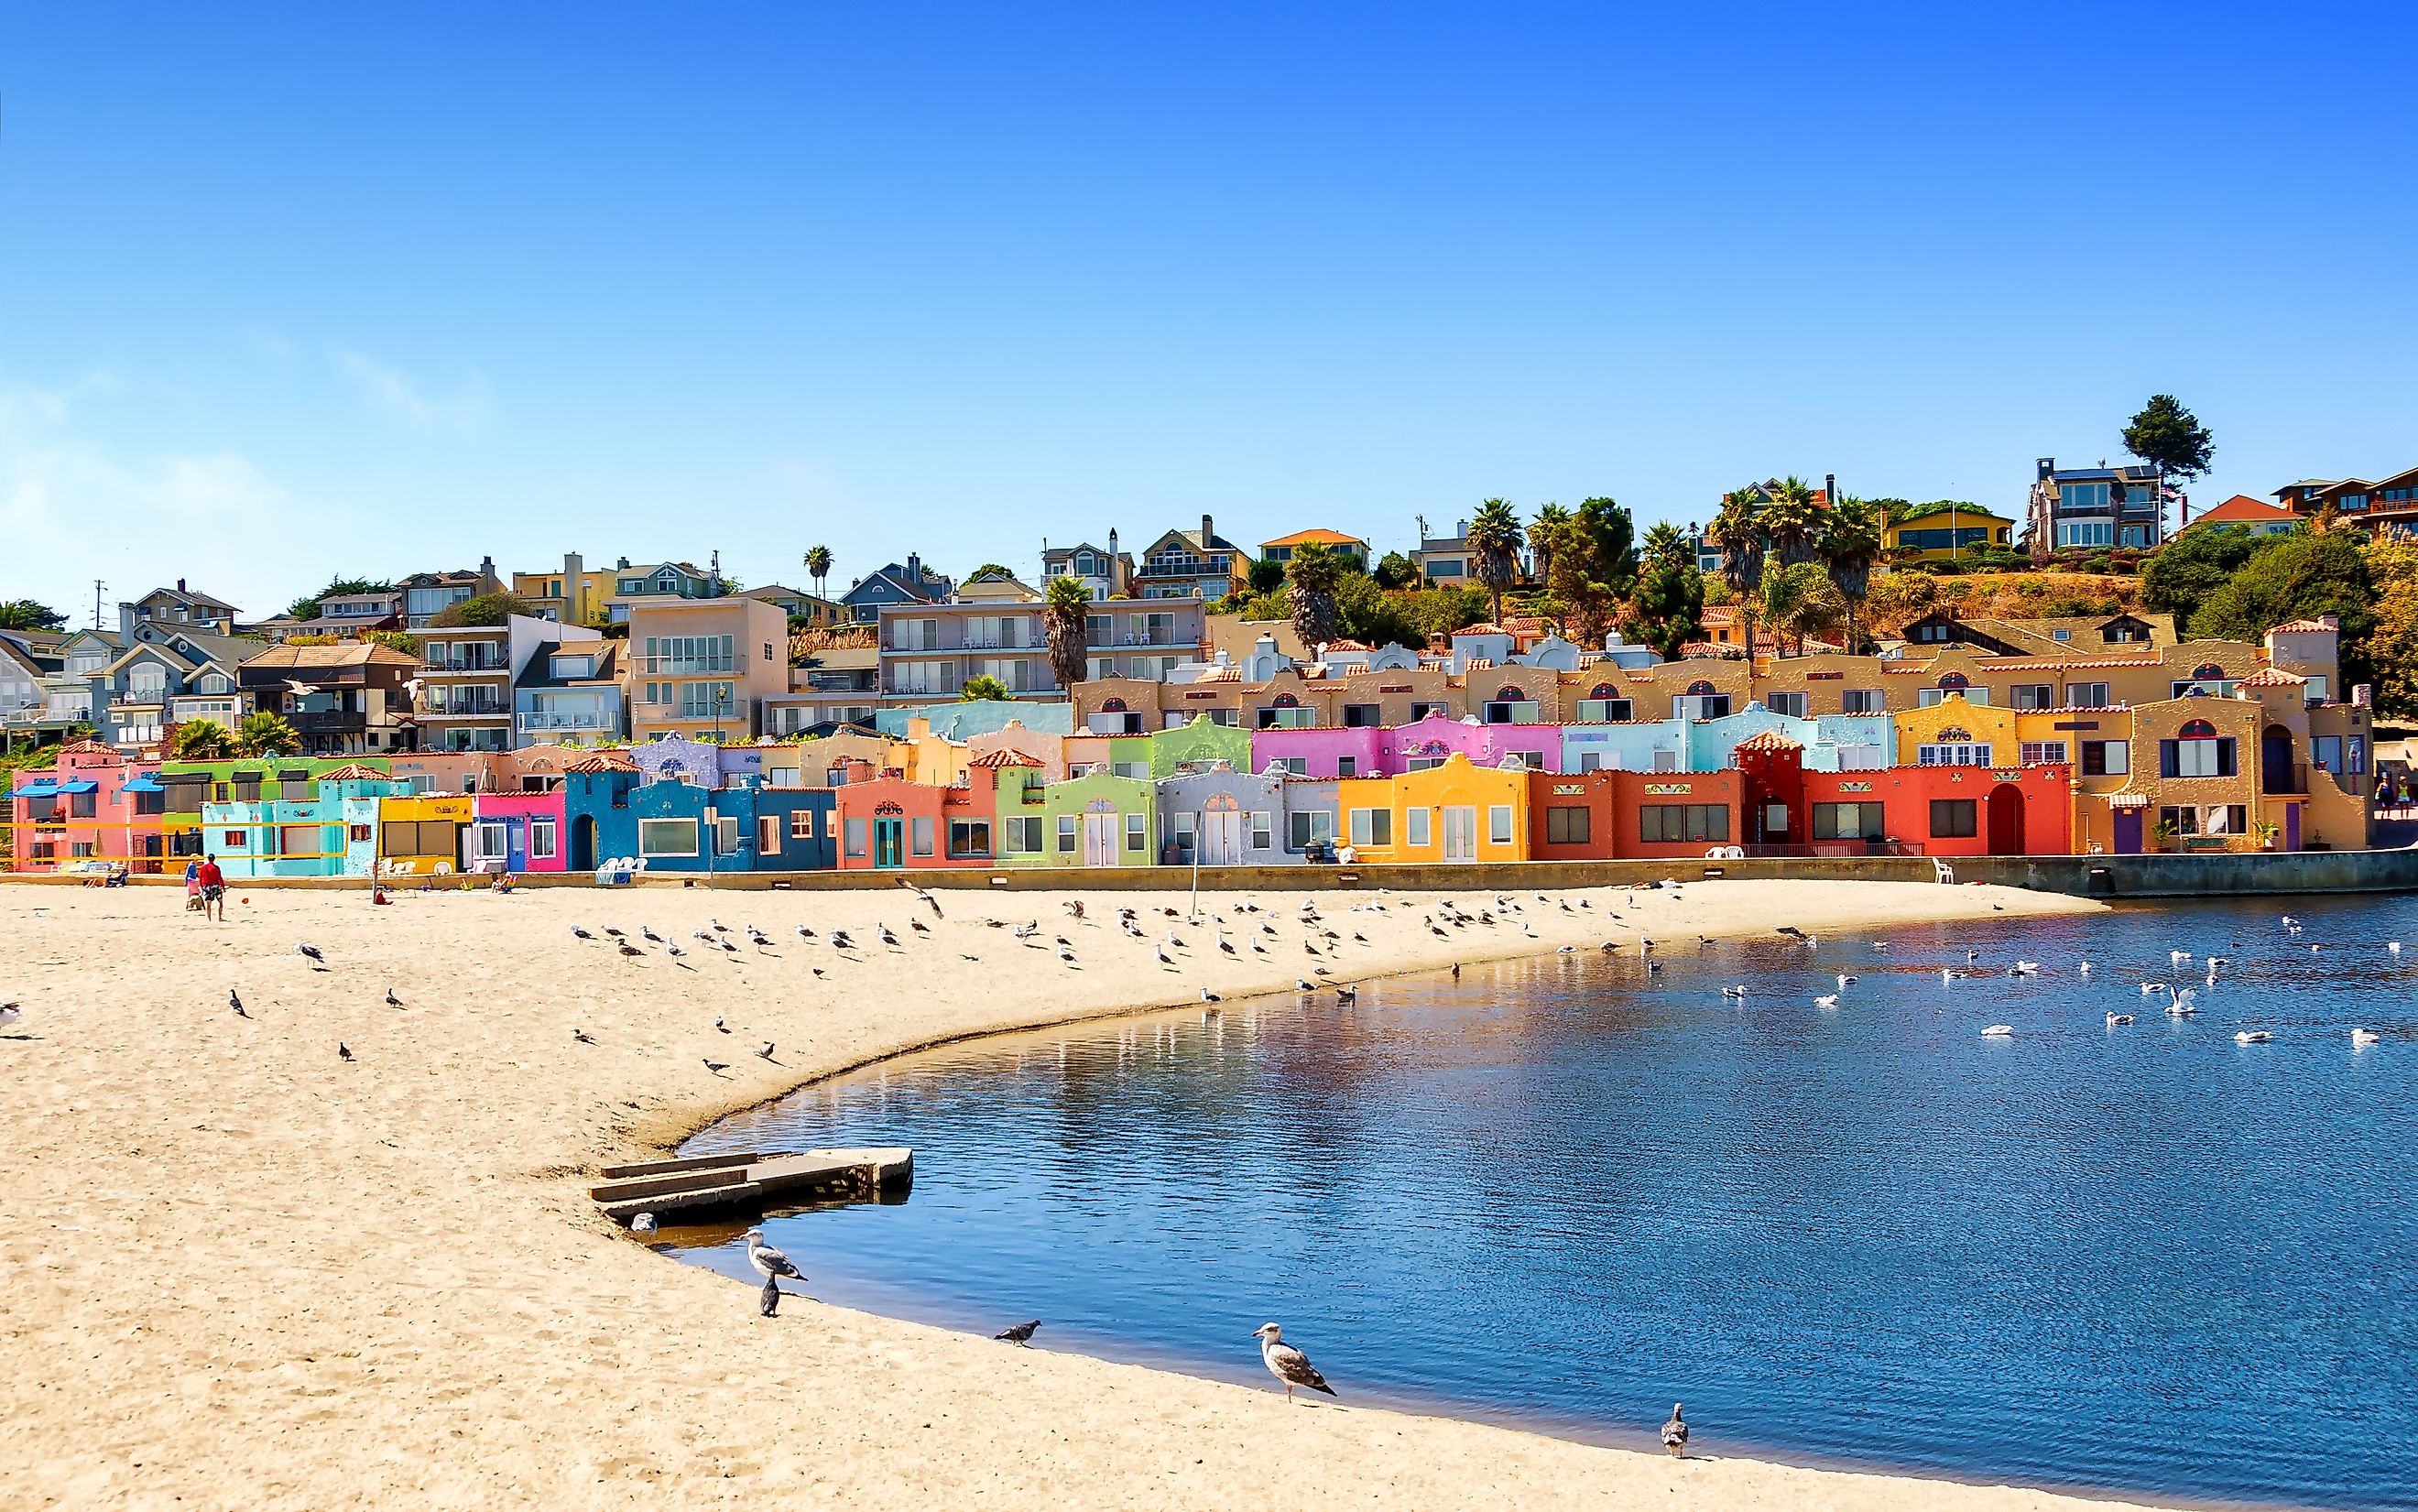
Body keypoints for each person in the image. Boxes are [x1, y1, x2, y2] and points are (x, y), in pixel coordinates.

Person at [196, 853, 227, 923]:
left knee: (208, 903)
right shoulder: (216, 868)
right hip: (216, 886)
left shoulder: (203, 867)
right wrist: (223, 887)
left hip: (207, 887)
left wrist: (202, 887)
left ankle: (209, 918)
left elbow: (200, 878)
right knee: (220, 902)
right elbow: (219, 878)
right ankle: (219, 917)